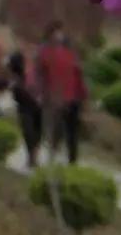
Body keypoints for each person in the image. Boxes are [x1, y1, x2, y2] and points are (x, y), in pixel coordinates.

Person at [34, 23, 87, 164]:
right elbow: (39, 74)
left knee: (72, 131)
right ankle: (52, 153)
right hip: (54, 98)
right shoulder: (44, 53)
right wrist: (41, 93)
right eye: (56, 33)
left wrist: (83, 94)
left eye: (60, 33)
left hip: (73, 97)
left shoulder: (70, 53)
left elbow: (78, 74)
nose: (59, 36)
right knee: (55, 129)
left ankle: (72, 160)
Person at [8, 49, 43, 165]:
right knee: (31, 132)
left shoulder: (27, 74)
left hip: (31, 106)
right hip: (30, 106)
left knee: (32, 132)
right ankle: (32, 157)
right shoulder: (19, 77)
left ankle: (33, 156)